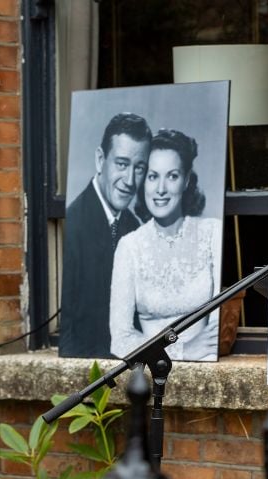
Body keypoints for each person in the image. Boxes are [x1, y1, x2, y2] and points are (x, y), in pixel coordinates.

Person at [109, 129, 221, 362]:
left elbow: (219, 328)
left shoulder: (212, 233)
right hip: (150, 371)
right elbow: (120, 338)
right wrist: (182, 351)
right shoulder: (129, 247)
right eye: (152, 176)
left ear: (186, 179)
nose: (161, 189)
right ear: (143, 182)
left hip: (207, 367)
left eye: (172, 176)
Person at [59, 112, 152, 358]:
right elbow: (67, 325)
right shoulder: (74, 222)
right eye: (121, 164)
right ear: (101, 160)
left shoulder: (134, 227)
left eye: (139, 168)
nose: (130, 180)